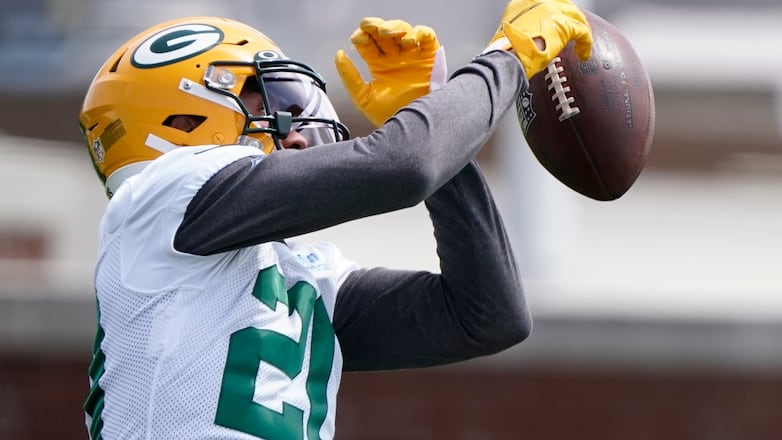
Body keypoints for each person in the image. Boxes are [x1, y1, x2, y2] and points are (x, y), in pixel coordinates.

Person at [79, 1, 592, 438]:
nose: (298, 134)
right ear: (184, 120)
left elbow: (487, 317)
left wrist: (435, 131)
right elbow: (406, 165)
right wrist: (507, 57)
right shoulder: (163, 195)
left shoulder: (293, 276)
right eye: (274, 107)